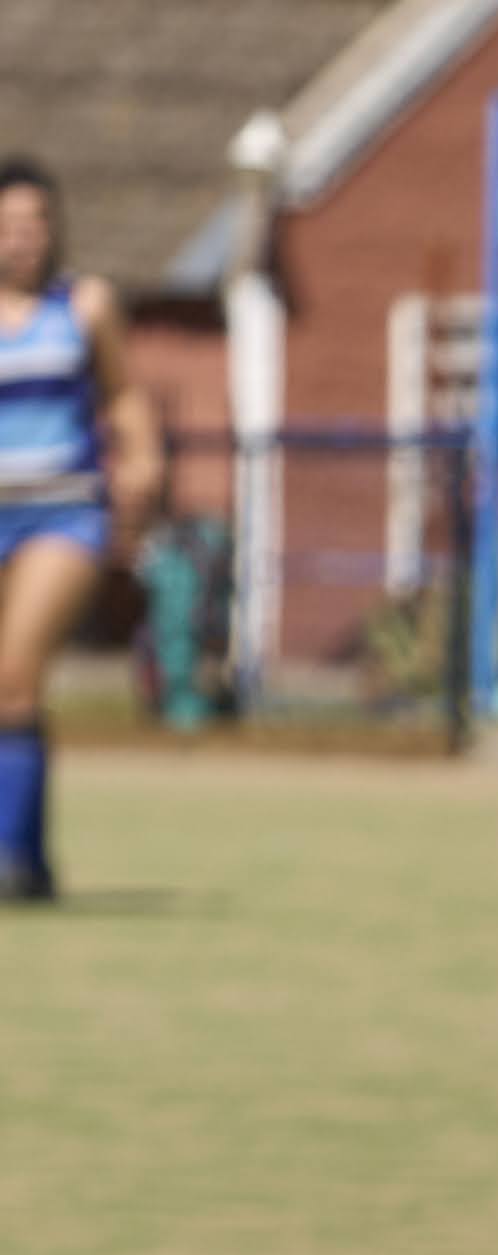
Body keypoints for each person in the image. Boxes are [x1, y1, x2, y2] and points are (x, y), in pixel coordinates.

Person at [0, 156, 161, 903]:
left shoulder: (86, 305)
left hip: (62, 510)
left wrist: (143, 461)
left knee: (12, 677)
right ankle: (27, 860)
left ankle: (6, 857)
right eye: (7, 225)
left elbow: (123, 395)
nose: (20, 239)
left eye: (34, 224)